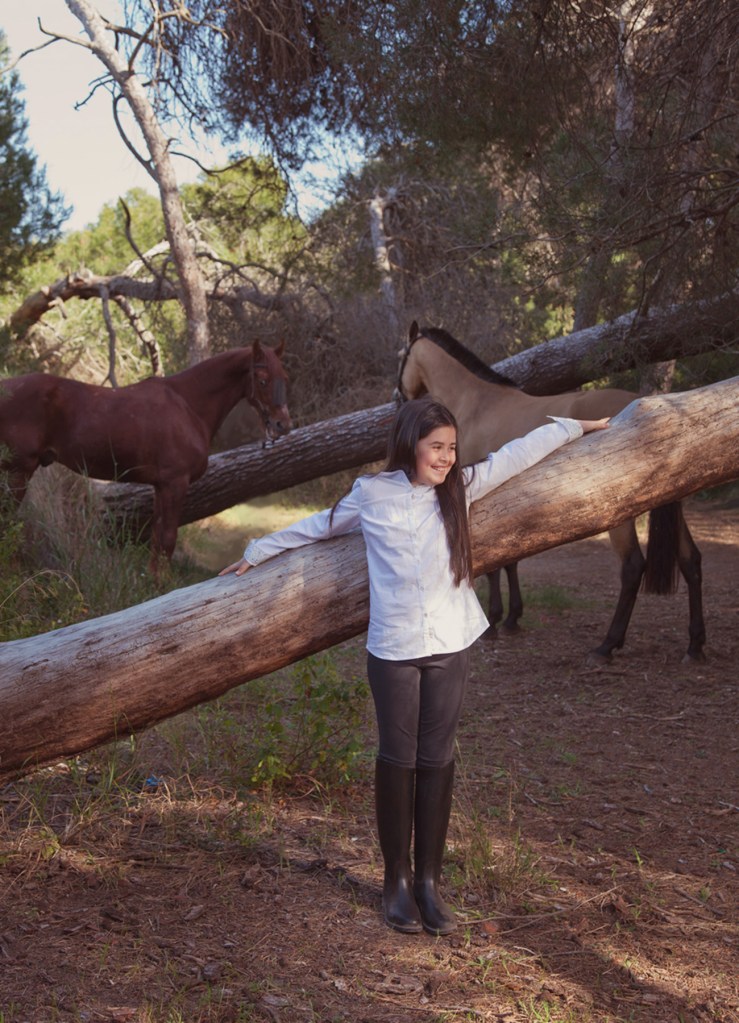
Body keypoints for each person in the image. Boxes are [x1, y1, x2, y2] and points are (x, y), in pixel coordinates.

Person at [220, 397, 609, 936]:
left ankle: (428, 882)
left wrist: (577, 426)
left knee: (437, 757)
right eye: (437, 448)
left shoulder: (460, 489)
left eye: (452, 447)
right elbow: (316, 526)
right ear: (410, 445)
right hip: (394, 647)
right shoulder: (371, 495)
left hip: (451, 641)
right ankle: (395, 881)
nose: (447, 457)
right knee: (398, 757)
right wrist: (258, 550)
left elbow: (519, 453)